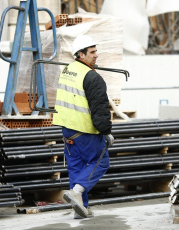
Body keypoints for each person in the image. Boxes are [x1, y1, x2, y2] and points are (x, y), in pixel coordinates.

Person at [52, 34, 114, 219]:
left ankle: (80, 209)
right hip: (85, 131)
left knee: (76, 168)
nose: (96, 55)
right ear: (81, 55)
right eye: (92, 52)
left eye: (96, 51)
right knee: (101, 161)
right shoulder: (93, 78)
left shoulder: (67, 70)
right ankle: (77, 192)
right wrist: (106, 132)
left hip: (68, 130)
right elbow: (99, 109)